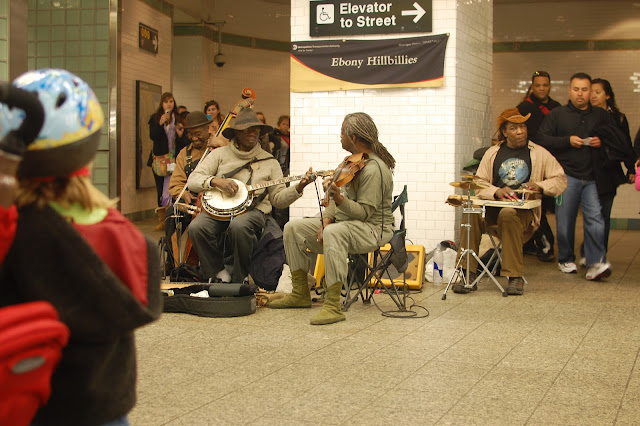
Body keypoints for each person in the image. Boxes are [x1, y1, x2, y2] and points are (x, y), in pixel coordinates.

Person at [0, 69, 162, 425]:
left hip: (30, 405)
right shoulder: (129, 238)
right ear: (88, 153)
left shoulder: (10, 228)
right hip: (105, 407)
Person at [269, 112, 396, 325]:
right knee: (292, 228)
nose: (340, 137)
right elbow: (333, 200)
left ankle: (333, 305)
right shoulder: (350, 162)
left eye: (342, 133)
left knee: (334, 232)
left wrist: (338, 199)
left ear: (353, 138)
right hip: (345, 224)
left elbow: (364, 213)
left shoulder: (374, 170)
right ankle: (300, 293)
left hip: (373, 229)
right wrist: (326, 220)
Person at [186, 108, 315, 283]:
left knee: (239, 226)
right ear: (236, 133)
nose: (253, 133)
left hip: (254, 212)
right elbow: (193, 180)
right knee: (197, 227)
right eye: (248, 129)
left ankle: (240, 277)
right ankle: (217, 274)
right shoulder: (219, 155)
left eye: (256, 129)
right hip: (219, 212)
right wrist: (217, 181)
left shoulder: (270, 161)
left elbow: (278, 199)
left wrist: (299, 187)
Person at [452, 108, 566, 296]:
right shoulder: (492, 153)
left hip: (522, 213)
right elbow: (479, 183)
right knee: (471, 212)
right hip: (492, 209)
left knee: (508, 213)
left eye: (522, 127)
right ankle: (467, 273)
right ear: (504, 132)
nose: (520, 131)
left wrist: (539, 185)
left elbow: (560, 180)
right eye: (513, 128)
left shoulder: (539, 153)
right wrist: (496, 191)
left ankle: (515, 277)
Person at [537, 72, 622, 280]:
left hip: (593, 177)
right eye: (576, 89)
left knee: (596, 219)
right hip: (566, 176)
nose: (580, 94)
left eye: (585, 89)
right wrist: (567, 141)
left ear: (590, 92)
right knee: (565, 221)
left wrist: (601, 142)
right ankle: (566, 259)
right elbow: (542, 138)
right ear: (569, 91)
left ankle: (595, 261)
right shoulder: (557, 114)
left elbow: (617, 139)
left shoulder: (601, 116)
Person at [586, 78, 636, 265]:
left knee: (604, 215)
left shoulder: (618, 118)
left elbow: (626, 144)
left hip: (609, 172)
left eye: (597, 92)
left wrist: (631, 168)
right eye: (591, 92)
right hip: (589, 171)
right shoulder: (585, 115)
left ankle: (600, 254)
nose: (593, 96)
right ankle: (591, 252)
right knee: (592, 215)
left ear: (607, 95)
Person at [517, 71, 562, 262]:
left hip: (551, 162)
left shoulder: (556, 108)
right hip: (530, 161)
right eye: (538, 85)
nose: (542, 88)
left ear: (549, 86)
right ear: (532, 87)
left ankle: (539, 242)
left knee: (546, 205)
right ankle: (542, 243)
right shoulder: (524, 107)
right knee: (532, 202)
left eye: (545, 85)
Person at [164, 111, 212, 268]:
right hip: (191, 201)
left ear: (207, 129)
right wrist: (183, 194)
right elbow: (176, 183)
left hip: (214, 201)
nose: (194, 138)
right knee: (171, 213)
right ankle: (172, 261)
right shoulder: (184, 153)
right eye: (190, 134)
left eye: (198, 134)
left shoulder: (218, 148)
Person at [148, 91, 179, 207]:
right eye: (166, 102)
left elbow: (183, 137)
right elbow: (152, 136)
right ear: (162, 104)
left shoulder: (178, 117)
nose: (169, 104)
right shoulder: (155, 117)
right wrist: (160, 123)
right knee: (160, 187)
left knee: (174, 185)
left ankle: (173, 211)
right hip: (161, 158)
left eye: (171, 101)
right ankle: (162, 211)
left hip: (175, 157)